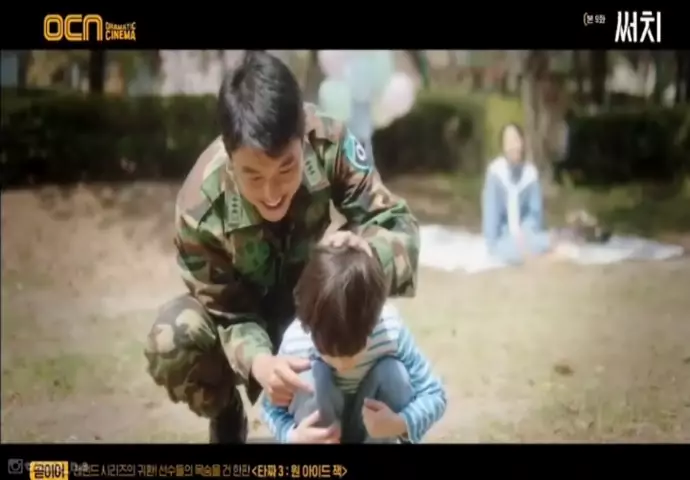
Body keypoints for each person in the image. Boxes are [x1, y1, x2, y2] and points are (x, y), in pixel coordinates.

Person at [144, 51, 420, 443]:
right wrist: (259, 362)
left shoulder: (329, 141)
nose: (272, 193)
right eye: (253, 176)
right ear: (230, 156)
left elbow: (396, 224)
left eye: (286, 169)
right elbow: (226, 312)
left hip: (316, 312)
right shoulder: (198, 207)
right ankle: (225, 412)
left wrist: (362, 256)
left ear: (303, 138)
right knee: (171, 336)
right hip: (247, 321)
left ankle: (355, 413)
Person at [261, 245, 446, 444]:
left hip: (378, 434)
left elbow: (435, 395)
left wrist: (399, 423)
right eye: (330, 354)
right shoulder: (296, 342)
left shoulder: (389, 331)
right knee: (310, 376)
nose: (343, 365)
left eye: (353, 353)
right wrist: (293, 437)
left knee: (393, 373)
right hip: (323, 436)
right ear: (310, 329)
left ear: (373, 324)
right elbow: (270, 408)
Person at [481, 123, 551, 264]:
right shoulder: (495, 175)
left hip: (527, 236)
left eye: (516, 140)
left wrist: (524, 233)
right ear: (503, 147)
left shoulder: (530, 174)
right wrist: (493, 245)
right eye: (508, 142)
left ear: (522, 143)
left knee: (547, 242)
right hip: (503, 237)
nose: (513, 146)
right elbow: (491, 216)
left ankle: (536, 255)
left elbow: (535, 215)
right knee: (514, 251)